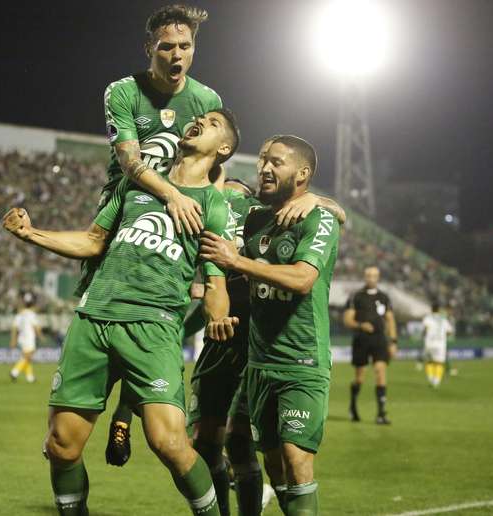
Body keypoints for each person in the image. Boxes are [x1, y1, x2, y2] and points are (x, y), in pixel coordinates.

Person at [3, 109, 241, 516]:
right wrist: (31, 233)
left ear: (224, 149)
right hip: (94, 317)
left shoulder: (215, 206)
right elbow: (94, 242)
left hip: (154, 325)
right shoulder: (136, 185)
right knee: (61, 445)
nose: (199, 120)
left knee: (169, 443)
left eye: (214, 122)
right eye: (199, 116)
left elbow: (216, 282)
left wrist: (217, 316)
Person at [86, 5, 225, 464]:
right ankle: (81, 411)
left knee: (162, 321)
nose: (177, 54)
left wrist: (210, 219)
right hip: (125, 213)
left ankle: (126, 415)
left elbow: (214, 172)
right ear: (150, 48)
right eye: (167, 46)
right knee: (106, 319)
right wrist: (171, 196)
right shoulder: (123, 91)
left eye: (185, 46)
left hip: (179, 226)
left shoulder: (206, 99)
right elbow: (129, 161)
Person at [199, 135, 340, 515]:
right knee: (275, 465)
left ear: (302, 173)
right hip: (259, 364)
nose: (264, 168)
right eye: (263, 160)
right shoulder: (256, 219)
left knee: (296, 461)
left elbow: (302, 279)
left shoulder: (318, 218)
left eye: (276, 162)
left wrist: (238, 262)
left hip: (301, 361)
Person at [343, 266, 398, 424]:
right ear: (364, 277)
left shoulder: (384, 297)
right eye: (368, 275)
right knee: (360, 377)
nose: (371, 278)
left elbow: (390, 320)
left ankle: (381, 414)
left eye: (374, 276)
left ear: (378, 277)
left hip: (379, 340)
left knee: (380, 371)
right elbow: (347, 320)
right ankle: (353, 406)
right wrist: (361, 325)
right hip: (361, 339)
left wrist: (393, 341)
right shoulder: (356, 296)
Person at [9, 292, 43, 383]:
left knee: (27, 357)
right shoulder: (31, 314)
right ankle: (14, 372)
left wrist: (13, 340)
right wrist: (41, 336)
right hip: (29, 338)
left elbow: (14, 328)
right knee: (28, 357)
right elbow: (36, 327)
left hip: (21, 338)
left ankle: (30, 377)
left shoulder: (19, 314)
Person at [422, 302, 454, 388]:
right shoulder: (443, 319)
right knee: (439, 363)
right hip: (440, 344)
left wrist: (425, 335)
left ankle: (430, 378)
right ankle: (436, 381)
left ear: (431, 309)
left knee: (429, 362)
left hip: (429, 342)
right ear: (439, 310)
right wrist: (443, 336)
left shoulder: (427, 318)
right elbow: (450, 331)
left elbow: (425, 329)